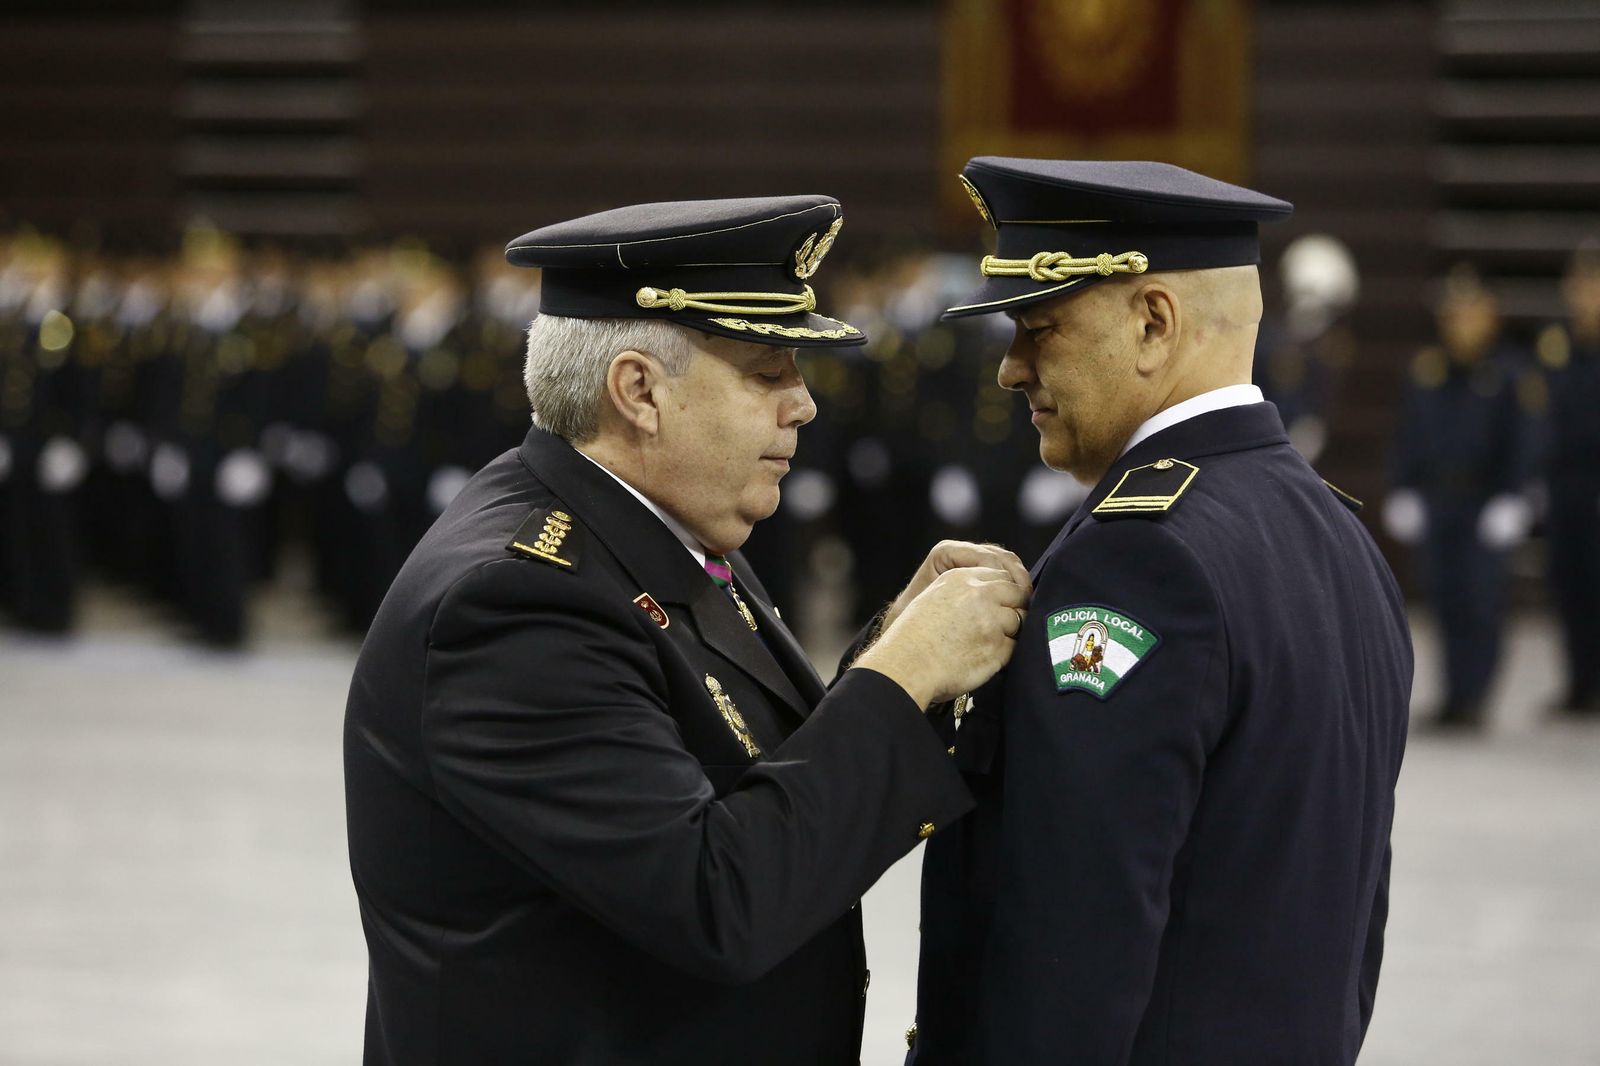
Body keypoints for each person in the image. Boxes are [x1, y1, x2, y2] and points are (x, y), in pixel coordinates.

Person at [343, 194, 1031, 1066]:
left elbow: (752, 771)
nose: (804, 405)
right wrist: (901, 677)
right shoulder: (515, 607)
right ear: (639, 391)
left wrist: (896, 647)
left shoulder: (652, 522)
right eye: (766, 370)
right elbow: (718, 901)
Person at [901, 158, 1412, 1065]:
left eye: (1042, 328)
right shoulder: (1336, 535)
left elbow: (1076, 937)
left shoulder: (1137, 560)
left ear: (1152, 322)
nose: (1012, 370)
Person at [1383, 265, 1539, 729]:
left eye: (1470, 313)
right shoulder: (1427, 371)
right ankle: (1452, 696)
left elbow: (1526, 438)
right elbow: (1409, 433)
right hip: (1439, 500)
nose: (1460, 324)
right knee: (1444, 599)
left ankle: (1475, 697)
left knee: (1481, 601)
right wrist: (1403, 486)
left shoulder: (1510, 373)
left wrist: (1517, 496)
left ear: (1490, 316)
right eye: (1452, 314)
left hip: (1485, 501)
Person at [1533, 242, 1600, 715]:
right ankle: (1579, 684)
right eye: (1578, 284)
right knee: (1569, 583)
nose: (1584, 294)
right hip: (1565, 484)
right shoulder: (1556, 344)